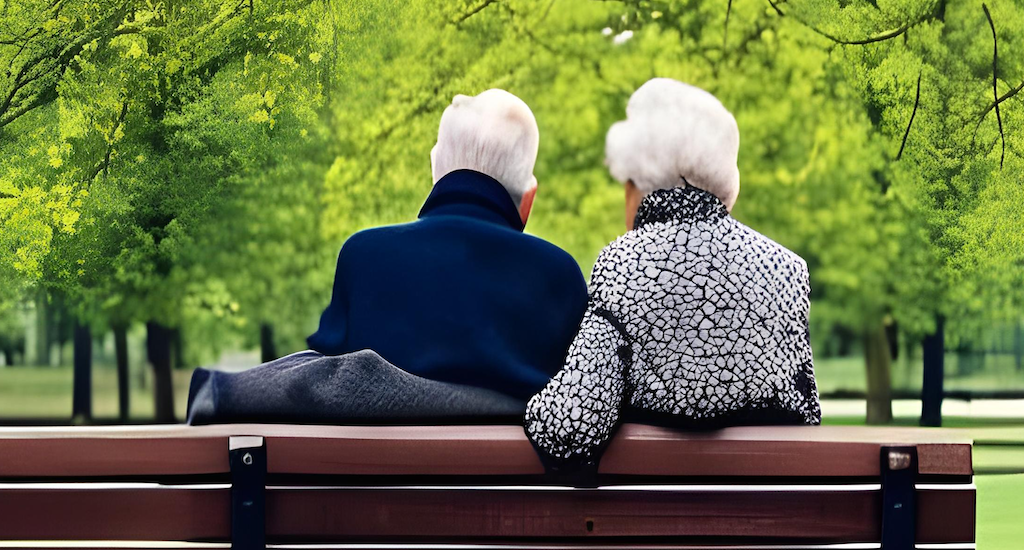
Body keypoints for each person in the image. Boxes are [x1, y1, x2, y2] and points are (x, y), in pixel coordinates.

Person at [524, 78, 821, 472]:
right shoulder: (788, 270)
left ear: (642, 182)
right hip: (767, 522)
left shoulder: (623, 264)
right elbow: (803, 413)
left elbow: (569, 430)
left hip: (651, 524)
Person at [307, 89, 589, 402]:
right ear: (529, 199)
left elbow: (319, 375)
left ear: (435, 168)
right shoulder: (559, 276)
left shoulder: (362, 256)